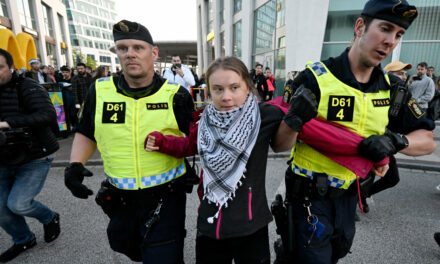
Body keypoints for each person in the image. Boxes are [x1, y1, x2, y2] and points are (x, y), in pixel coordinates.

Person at [274, 1, 436, 263]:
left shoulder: (393, 89)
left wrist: (396, 141)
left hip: (350, 200)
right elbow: (280, 145)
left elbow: (427, 141)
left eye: (398, 35)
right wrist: (294, 120)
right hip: (307, 199)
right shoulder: (314, 78)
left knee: (333, 254)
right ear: (360, 26)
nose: (390, 41)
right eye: (385, 29)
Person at [63, 20, 194, 263]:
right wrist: (74, 165)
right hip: (120, 197)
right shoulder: (100, 90)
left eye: (138, 48)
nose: (130, 54)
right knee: (124, 243)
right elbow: (87, 131)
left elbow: (198, 141)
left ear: (153, 53)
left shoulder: (177, 95)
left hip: (165, 196)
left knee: (162, 255)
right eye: (123, 48)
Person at [145, 56, 296, 264]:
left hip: (252, 225)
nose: (226, 97)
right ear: (209, 91)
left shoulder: (265, 116)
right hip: (211, 222)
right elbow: (188, 145)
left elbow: (295, 134)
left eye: (234, 87)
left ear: (248, 88)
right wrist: (162, 142)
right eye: (218, 89)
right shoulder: (204, 121)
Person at [0, 49, 60, 262]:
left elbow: (47, 115)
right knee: (1, 208)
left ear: (12, 67)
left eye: (0, 67)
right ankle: (23, 238)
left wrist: (8, 124)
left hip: (35, 156)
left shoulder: (28, 86)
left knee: (18, 204)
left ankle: (50, 217)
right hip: (3, 158)